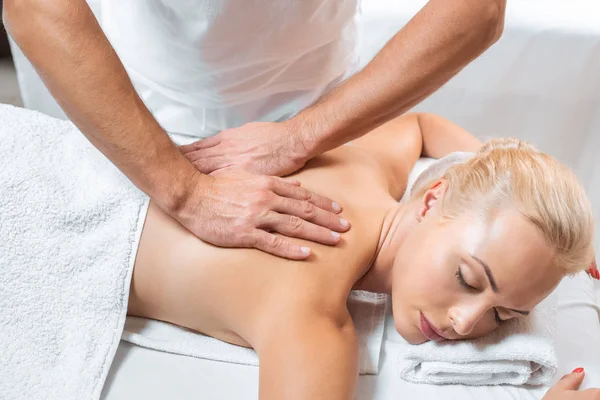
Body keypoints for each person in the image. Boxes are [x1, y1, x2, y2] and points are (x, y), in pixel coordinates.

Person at [126, 113, 597, 399]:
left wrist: (509, 190)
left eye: (503, 314)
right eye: (467, 278)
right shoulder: (312, 317)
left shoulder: (364, 164)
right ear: (433, 198)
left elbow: (420, 124)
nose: (466, 323)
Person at [3, 0, 507, 259]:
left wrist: (302, 135)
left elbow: (478, 9)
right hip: (130, 103)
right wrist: (185, 194)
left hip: (322, 96)